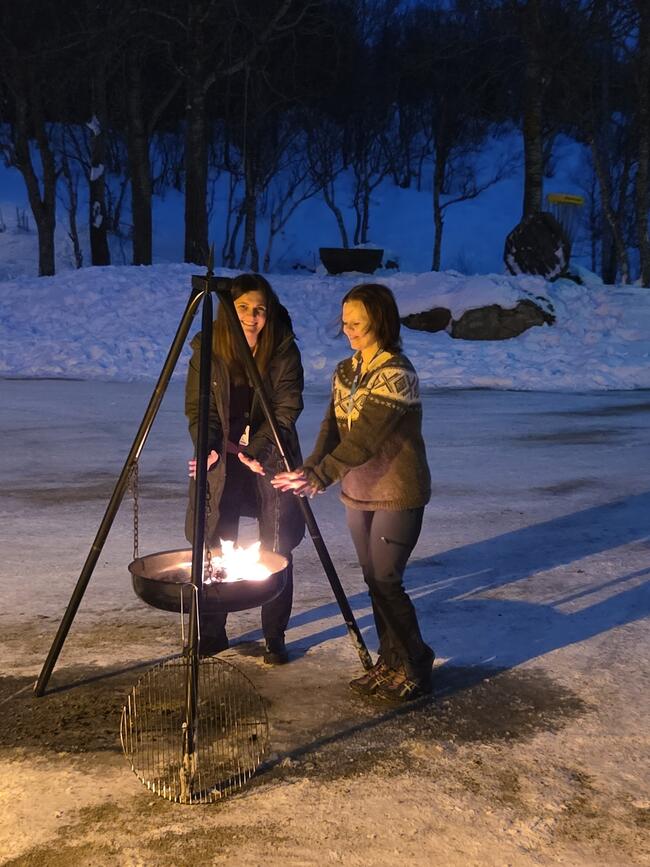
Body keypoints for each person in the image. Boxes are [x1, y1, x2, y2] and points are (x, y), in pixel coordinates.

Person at [272, 283, 433, 701]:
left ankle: (416, 660)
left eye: (357, 322)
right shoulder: (345, 370)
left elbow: (365, 438)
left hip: (397, 492)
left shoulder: (397, 372)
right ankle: (390, 661)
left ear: (379, 320)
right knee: (372, 581)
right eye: (345, 323)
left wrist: (322, 476)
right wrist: (310, 468)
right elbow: (333, 429)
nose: (349, 330)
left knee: (386, 579)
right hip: (358, 492)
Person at [185, 273, 305, 664]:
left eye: (259, 310)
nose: (252, 318)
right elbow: (198, 406)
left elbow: (286, 408)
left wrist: (257, 448)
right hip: (223, 458)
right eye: (243, 308)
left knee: (277, 541)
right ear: (229, 310)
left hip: (270, 454)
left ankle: (274, 633)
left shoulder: (283, 349)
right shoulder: (210, 346)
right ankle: (214, 632)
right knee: (215, 539)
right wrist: (207, 447)